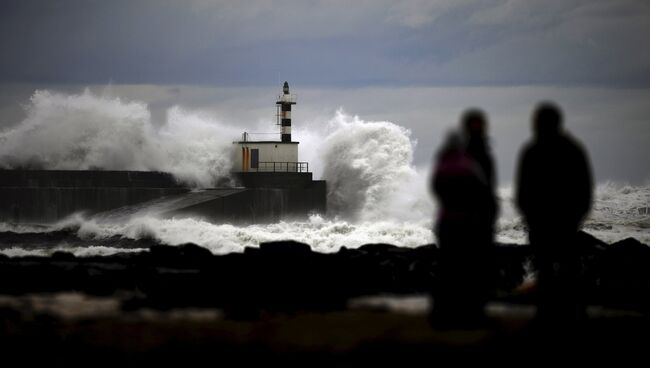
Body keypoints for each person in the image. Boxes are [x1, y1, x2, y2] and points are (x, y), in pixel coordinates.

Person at [515, 102, 593, 320]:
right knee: (565, 268)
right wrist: (577, 217)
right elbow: (585, 189)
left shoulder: (532, 150)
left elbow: (523, 191)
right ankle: (572, 314)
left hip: (545, 223)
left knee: (547, 268)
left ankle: (547, 315)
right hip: (564, 222)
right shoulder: (573, 149)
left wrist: (529, 216)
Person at [430, 128, 497, 326]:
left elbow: (435, 188)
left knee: (447, 267)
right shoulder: (469, 165)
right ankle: (470, 313)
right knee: (467, 267)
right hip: (466, 221)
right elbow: (482, 191)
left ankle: (442, 313)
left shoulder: (442, 165)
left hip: (446, 219)